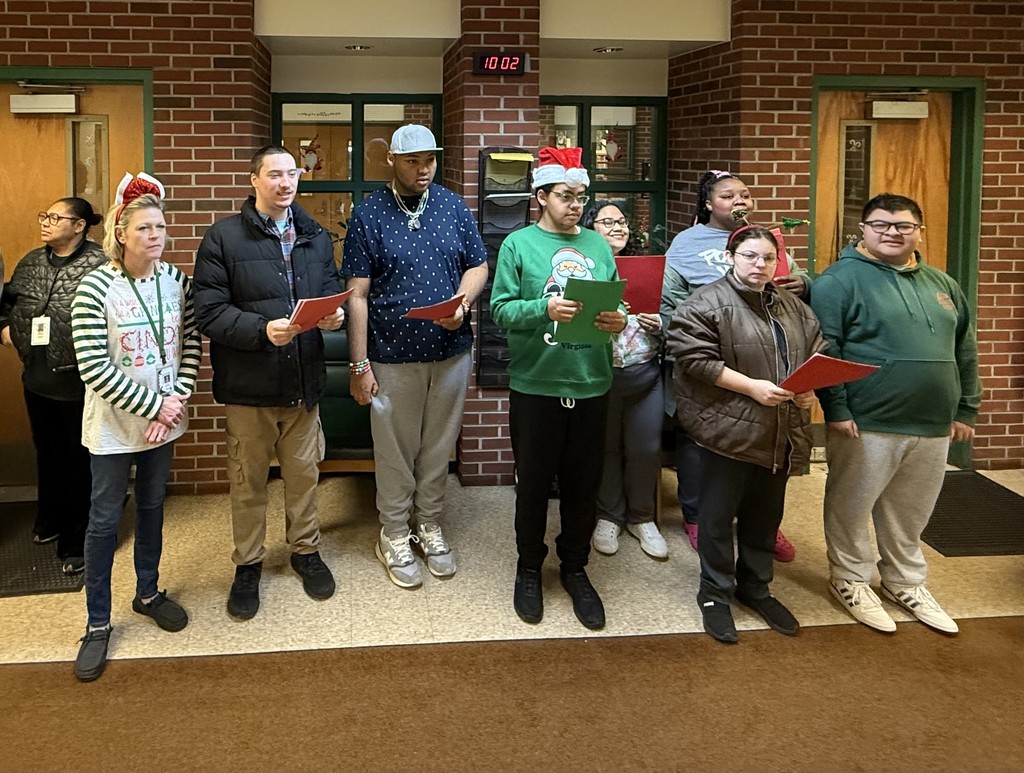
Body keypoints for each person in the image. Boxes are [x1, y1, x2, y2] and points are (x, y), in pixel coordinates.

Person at [811, 193, 981, 636]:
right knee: (851, 505)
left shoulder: (942, 284)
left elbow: (964, 349)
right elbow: (827, 350)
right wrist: (837, 408)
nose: (892, 232)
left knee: (910, 512)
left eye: (903, 225)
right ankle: (850, 579)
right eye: (881, 224)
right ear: (863, 229)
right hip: (866, 419)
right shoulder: (839, 281)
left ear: (918, 231)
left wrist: (966, 406)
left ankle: (904, 582)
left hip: (932, 421)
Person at [193, 146, 345, 620]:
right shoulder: (222, 237)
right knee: (248, 483)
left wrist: (333, 315)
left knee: (304, 478)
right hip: (249, 387)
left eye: (292, 174)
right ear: (254, 180)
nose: (286, 183)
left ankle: (305, 551)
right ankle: (248, 565)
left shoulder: (314, 234)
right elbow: (209, 312)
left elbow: (329, 291)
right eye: (274, 174)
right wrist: (263, 331)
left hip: (303, 383)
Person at [343, 124, 488, 589]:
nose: (423, 168)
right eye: (412, 160)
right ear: (392, 160)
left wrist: (463, 304)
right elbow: (357, 295)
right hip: (391, 355)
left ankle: (429, 524)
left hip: (450, 352)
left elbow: (477, 263)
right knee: (395, 452)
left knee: (437, 447)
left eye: (429, 159)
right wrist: (359, 364)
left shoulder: (452, 205)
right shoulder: (368, 214)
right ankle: (394, 532)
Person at [69, 173, 202, 681]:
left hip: (162, 423)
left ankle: (148, 592)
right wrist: (153, 406)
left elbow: (189, 343)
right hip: (114, 427)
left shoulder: (176, 280)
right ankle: (97, 622)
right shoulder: (94, 285)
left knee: (151, 506)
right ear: (121, 234)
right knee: (105, 520)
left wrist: (174, 399)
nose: (155, 235)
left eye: (161, 227)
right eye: (144, 227)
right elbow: (93, 367)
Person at [490, 146, 627, 631]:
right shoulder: (518, 245)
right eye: (566, 196)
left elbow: (617, 305)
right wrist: (541, 311)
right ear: (541, 196)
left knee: (582, 487)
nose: (576, 206)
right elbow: (500, 310)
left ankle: (574, 567)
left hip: (591, 383)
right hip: (536, 384)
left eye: (581, 197)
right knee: (532, 483)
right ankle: (529, 567)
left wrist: (618, 318)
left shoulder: (596, 246)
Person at [667, 225, 824, 643]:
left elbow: (815, 350)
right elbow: (694, 360)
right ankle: (715, 593)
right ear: (730, 257)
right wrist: (751, 387)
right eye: (750, 256)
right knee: (717, 519)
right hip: (727, 429)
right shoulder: (705, 303)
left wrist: (809, 388)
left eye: (768, 258)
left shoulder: (794, 307)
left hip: (779, 431)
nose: (759, 265)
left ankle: (756, 587)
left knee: (764, 517)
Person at [661, 170, 808, 561]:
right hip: (707, 356)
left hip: (761, 356)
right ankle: (696, 515)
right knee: (699, 439)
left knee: (762, 444)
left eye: (745, 194)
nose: (740, 201)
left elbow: (793, 291)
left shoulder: (765, 239)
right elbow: (670, 297)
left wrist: (803, 284)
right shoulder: (686, 243)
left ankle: (761, 525)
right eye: (728, 196)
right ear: (709, 203)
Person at [0, 199, 107, 571]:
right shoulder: (31, 261)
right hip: (37, 378)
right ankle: (51, 519)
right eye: (43, 215)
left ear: (79, 226)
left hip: (81, 383)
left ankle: (77, 540)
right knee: (48, 454)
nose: (46, 223)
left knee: (80, 462)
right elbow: (7, 302)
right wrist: (4, 330)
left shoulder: (101, 264)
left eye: (55, 217)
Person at [581, 202, 667, 560]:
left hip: (645, 373)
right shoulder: (584, 268)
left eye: (621, 221)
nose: (618, 227)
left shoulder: (651, 269)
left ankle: (642, 517)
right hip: (601, 375)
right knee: (605, 448)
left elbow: (682, 313)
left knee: (645, 448)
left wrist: (662, 323)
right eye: (608, 221)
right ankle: (609, 515)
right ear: (591, 227)